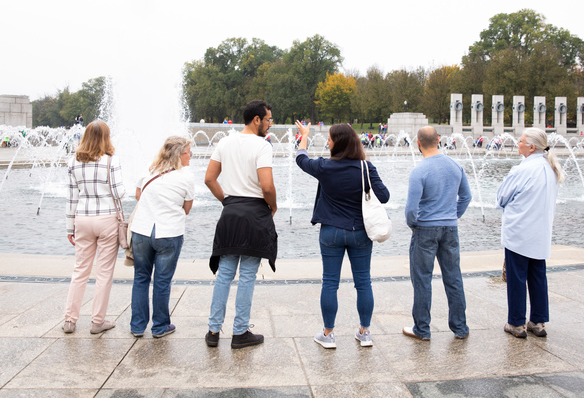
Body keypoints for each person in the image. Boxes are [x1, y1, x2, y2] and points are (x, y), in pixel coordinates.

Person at [295, 122, 389, 349]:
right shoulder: (366, 167)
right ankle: (365, 332)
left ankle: (328, 334)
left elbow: (300, 159)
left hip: (331, 231)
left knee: (330, 283)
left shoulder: (324, 167)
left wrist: (304, 136)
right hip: (360, 233)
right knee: (363, 282)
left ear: (338, 142)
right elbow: (384, 196)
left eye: (329, 138)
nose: (327, 142)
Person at [204, 100, 278, 349]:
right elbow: (266, 185)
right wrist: (273, 206)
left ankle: (213, 332)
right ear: (256, 120)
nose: (270, 125)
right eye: (268, 120)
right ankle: (239, 332)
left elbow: (209, 178)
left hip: (231, 213)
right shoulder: (262, 145)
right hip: (254, 213)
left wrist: (227, 200)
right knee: (247, 275)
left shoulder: (225, 142)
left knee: (224, 274)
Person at [403, 126, 472, 341]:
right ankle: (460, 328)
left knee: (422, 279)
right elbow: (466, 197)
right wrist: (453, 215)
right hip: (450, 228)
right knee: (453, 278)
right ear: (439, 140)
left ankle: (422, 330)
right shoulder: (455, 166)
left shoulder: (419, 171)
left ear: (418, 143)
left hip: (425, 229)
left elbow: (411, 209)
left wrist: (413, 224)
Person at [496, 127, 564, 338]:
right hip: (540, 232)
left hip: (520, 231)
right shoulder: (551, 168)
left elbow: (502, 197)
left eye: (521, 141)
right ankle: (538, 321)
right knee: (537, 277)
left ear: (531, 147)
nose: (518, 144)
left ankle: (516, 323)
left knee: (517, 278)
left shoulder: (522, 170)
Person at [63, 120, 126, 335]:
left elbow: (72, 197)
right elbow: (119, 193)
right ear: (106, 138)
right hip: (106, 217)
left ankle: (70, 320)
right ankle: (97, 321)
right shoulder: (111, 161)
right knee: (104, 272)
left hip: (82, 216)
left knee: (80, 270)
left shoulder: (73, 162)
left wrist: (69, 227)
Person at [129, 136, 195, 338]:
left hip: (141, 230)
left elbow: (138, 195)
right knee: (162, 281)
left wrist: (153, 205)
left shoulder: (150, 169)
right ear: (179, 155)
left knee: (141, 278)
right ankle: (159, 327)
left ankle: (137, 326)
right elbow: (187, 208)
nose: (190, 155)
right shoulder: (186, 177)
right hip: (169, 232)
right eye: (188, 152)